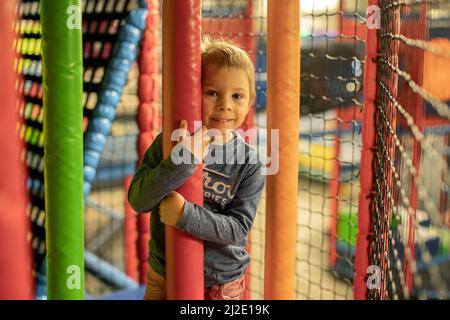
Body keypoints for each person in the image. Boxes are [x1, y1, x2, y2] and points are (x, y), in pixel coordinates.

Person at [128, 36, 265, 300]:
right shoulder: (169, 142)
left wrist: (184, 215)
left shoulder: (249, 163)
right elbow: (138, 200)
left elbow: (238, 229)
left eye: (237, 96)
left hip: (220, 282)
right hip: (165, 273)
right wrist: (184, 158)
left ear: (249, 103)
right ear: (193, 93)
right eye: (212, 93)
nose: (225, 104)